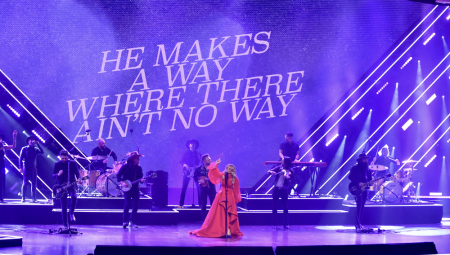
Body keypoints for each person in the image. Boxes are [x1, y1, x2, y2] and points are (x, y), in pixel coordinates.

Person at [189, 159, 243, 237]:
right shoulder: (223, 175)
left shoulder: (235, 179)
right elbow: (213, 174)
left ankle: (228, 230)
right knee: (220, 214)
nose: (228, 170)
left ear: (233, 170)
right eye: (227, 168)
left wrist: (235, 200)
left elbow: (236, 190)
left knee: (229, 213)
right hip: (221, 196)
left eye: (230, 169)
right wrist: (216, 164)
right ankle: (221, 229)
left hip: (230, 197)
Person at [52, 150, 82, 228]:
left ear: (68, 157)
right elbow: (53, 175)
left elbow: (77, 172)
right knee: (64, 205)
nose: (64, 160)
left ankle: (71, 213)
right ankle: (65, 224)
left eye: (65, 158)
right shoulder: (57, 164)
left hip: (71, 184)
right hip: (61, 187)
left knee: (74, 197)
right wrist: (58, 174)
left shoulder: (72, 163)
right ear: (60, 157)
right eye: (63, 158)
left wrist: (79, 178)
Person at [117, 151, 144, 228]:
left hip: (135, 188)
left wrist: (142, 180)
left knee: (136, 205)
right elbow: (118, 175)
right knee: (127, 204)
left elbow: (140, 179)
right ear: (133, 159)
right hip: (127, 189)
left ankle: (132, 221)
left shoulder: (139, 168)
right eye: (137, 158)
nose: (139, 159)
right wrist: (122, 183)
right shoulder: (125, 167)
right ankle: (125, 221)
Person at [268, 156, 295, 229]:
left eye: (282, 161)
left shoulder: (290, 170)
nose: (281, 162)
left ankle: (286, 224)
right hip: (276, 189)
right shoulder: (278, 168)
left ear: (286, 163)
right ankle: (274, 223)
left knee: (285, 207)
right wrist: (271, 172)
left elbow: (290, 178)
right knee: (274, 206)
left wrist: (286, 174)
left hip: (284, 190)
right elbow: (269, 171)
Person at [349, 153, 372, 233]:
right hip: (356, 188)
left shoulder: (368, 169)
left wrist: (371, 182)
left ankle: (359, 223)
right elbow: (350, 177)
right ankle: (357, 223)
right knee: (359, 205)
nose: (366, 160)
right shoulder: (355, 168)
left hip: (365, 189)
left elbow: (369, 179)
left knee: (362, 206)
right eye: (364, 159)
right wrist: (358, 183)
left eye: (366, 159)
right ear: (361, 160)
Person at [19, 136, 44, 203]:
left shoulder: (35, 149)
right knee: (25, 183)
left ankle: (34, 198)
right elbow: (20, 158)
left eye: (33, 140)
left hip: (33, 168)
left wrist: (38, 144)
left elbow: (42, 152)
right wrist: (20, 167)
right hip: (26, 168)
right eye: (30, 140)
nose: (32, 141)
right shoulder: (24, 148)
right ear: (28, 141)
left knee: (34, 183)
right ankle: (23, 198)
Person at [178, 139, 202, 208]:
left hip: (196, 172)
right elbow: (181, 162)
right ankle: (180, 204)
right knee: (184, 188)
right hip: (187, 172)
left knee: (199, 188)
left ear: (196, 145)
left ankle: (200, 204)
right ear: (189, 145)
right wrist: (185, 165)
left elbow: (200, 163)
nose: (193, 144)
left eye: (194, 143)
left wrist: (198, 166)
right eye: (191, 143)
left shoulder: (198, 154)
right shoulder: (186, 153)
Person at [193, 154, 216, 220]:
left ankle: (213, 220)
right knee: (203, 204)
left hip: (211, 187)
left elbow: (216, 176)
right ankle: (204, 220)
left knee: (213, 203)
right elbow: (194, 177)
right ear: (204, 161)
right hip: (203, 188)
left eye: (210, 159)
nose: (210, 160)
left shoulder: (213, 168)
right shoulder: (198, 169)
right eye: (208, 159)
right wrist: (199, 181)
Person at [0, 130, 18, 203]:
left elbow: (13, 146)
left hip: (1, 165)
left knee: (1, 181)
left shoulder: (4, 147)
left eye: (1, 138)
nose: (0, 139)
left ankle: (1, 198)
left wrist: (14, 138)